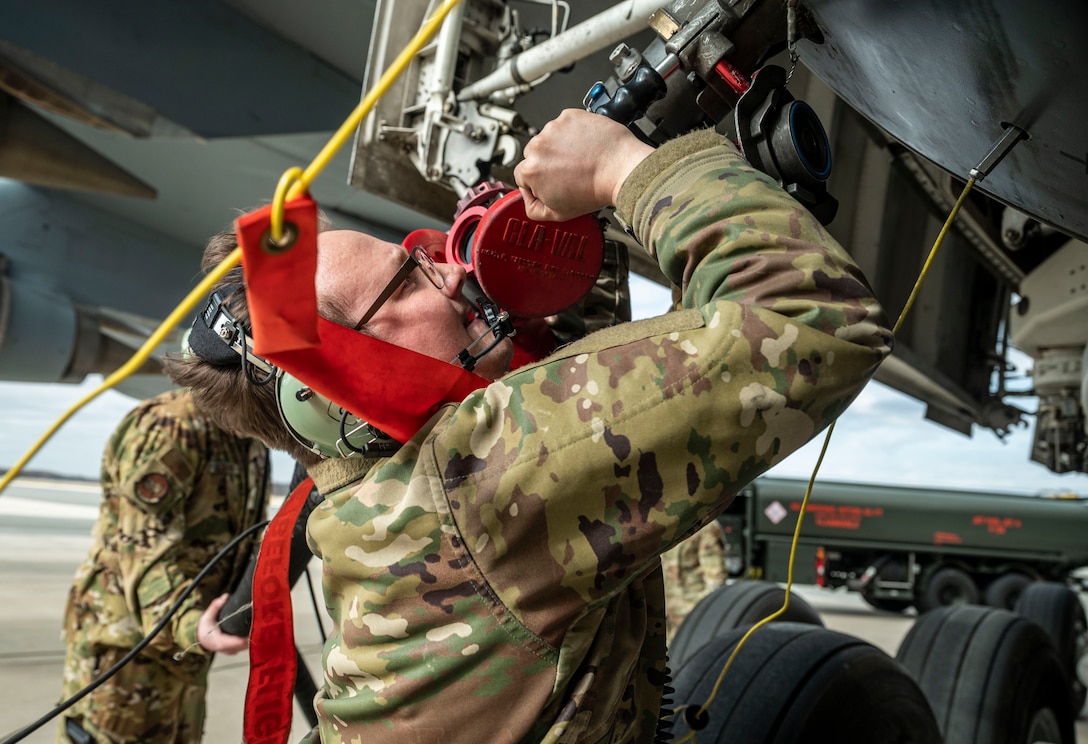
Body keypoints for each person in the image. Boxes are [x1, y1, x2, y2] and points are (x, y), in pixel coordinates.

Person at [165, 108, 893, 743]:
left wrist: (548, 217)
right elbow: (811, 318)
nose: (446, 272)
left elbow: (585, 368)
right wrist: (622, 168)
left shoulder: (382, 488)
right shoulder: (474, 475)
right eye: (406, 278)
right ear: (332, 399)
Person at [59, 388, 271, 743]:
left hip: (185, 645)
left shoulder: (247, 431)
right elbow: (143, 550)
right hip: (128, 649)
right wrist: (192, 626)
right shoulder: (171, 426)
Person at [660, 519, 728, 642]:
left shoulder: (705, 525)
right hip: (666, 613)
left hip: (689, 615)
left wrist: (703, 613)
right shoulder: (662, 522)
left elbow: (716, 579)